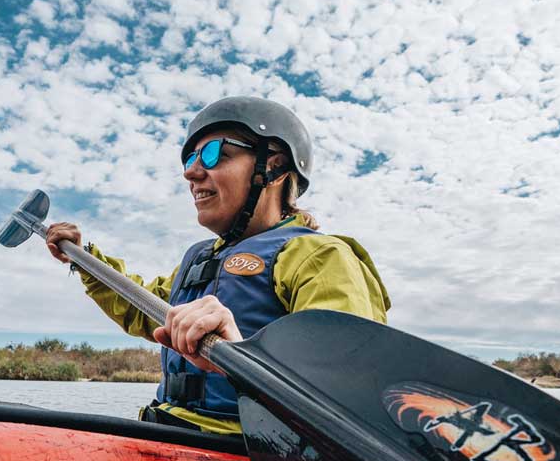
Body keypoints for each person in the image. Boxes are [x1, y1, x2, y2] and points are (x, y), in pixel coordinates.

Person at [46, 96, 390, 435]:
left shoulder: (320, 257)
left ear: (273, 167)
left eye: (214, 155)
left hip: (253, 456)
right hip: (165, 435)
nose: (192, 173)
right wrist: (86, 258)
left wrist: (242, 357)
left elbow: (346, 389)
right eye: (191, 160)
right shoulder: (199, 258)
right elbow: (140, 306)